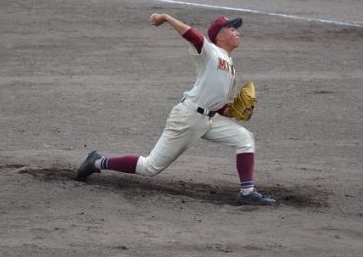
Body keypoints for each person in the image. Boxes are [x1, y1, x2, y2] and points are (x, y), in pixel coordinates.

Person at [76, 13, 276, 205]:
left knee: (245, 139)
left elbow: (220, 106)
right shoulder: (210, 52)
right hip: (188, 117)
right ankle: (97, 162)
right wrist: (166, 18)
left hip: (208, 120)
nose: (237, 32)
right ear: (220, 36)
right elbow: (194, 36)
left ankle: (247, 192)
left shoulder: (231, 68)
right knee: (150, 167)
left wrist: (237, 112)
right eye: (231, 29)